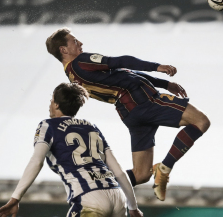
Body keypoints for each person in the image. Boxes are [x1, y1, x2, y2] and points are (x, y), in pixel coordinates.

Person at [45, 28, 210, 201]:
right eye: (74, 41)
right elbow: (120, 62)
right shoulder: (81, 61)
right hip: (143, 99)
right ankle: (165, 168)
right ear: (63, 50)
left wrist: (164, 84)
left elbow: (123, 75)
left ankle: (94, 188)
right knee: (201, 121)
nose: (80, 43)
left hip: (128, 112)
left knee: (141, 174)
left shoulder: (72, 77)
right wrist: (156, 67)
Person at [0, 83, 143, 217]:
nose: (50, 104)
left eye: (51, 100)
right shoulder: (92, 127)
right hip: (118, 198)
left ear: (57, 104)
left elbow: (36, 161)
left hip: (89, 198)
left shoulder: (48, 125)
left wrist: (15, 198)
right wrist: (133, 207)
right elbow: (119, 172)